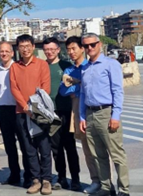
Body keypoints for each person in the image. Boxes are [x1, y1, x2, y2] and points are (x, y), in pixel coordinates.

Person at [79, 33, 130, 196]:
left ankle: (124, 189)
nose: (89, 48)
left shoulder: (110, 64)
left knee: (116, 154)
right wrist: (82, 117)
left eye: (92, 45)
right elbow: (82, 94)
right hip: (90, 114)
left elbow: (117, 91)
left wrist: (116, 115)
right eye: (86, 46)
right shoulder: (85, 67)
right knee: (97, 154)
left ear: (99, 44)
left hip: (106, 112)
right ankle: (106, 187)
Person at [10, 34, 52, 196]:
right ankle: (36, 179)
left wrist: (34, 107)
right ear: (18, 49)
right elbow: (14, 89)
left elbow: (45, 88)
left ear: (33, 47)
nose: (25, 49)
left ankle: (47, 180)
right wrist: (25, 107)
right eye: (22, 46)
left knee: (44, 146)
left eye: (28, 46)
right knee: (28, 148)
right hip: (21, 112)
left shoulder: (41, 64)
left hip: (40, 112)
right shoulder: (15, 67)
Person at [59, 36, 100, 194]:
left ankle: (106, 181)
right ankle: (95, 180)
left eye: (73, 48)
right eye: (68, 49)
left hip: (94, 110)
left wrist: (77, 86)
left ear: (82, 49)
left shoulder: (88, 66)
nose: (71, 52)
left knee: (100, 149)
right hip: (78, 112)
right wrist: (78, 87)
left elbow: (91, 87)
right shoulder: (69, 70)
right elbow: (63, 91)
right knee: (87, 149)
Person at [42, 37, 80, 191]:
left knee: (70, 146)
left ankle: (75, 178)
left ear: (58, 50)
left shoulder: (66, 66)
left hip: (67, 111)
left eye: (52, 49)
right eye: (46, 50)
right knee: (55, 148)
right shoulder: (42, 66)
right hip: (50, 112)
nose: (49, 52)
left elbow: (77, 84)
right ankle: (62, 177)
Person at [0, 42, 27, 187]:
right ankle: (14, 174)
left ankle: (29, 174)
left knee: (25, 144)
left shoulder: (18, 67)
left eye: (7, 51)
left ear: (12, 53)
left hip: (18, 109)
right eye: (2, 51)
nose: (4, 54)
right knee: (9, 145)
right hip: (3, 109)